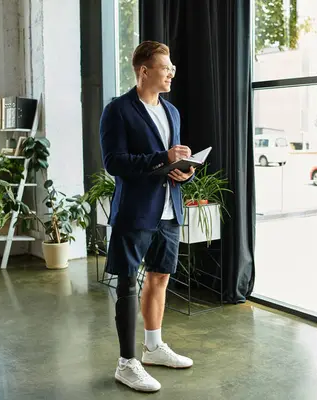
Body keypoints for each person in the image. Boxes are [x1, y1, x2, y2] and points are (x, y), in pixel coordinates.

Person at [99, 40, 195, 393]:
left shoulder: (172, 112)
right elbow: (114, 162)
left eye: (170, 67)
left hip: (170, 209)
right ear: (144, 71)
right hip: (135, 211)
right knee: (127, 283)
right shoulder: (118, 110)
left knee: (159, 278)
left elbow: (174, 158)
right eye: (165, 66)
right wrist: (160, 158)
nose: (171, 72)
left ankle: (153, 348)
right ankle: (126, 364)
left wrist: (185, 171)